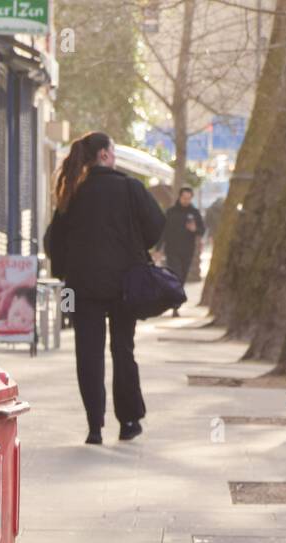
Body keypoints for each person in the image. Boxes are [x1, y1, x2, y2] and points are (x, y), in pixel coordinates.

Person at [44, 131, 165, 445]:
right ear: (104, 156)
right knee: (123, 349)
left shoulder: (73, 192)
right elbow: (156, 225)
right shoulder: (129, 188)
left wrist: (65, 271)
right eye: (113, 150)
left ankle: (94, 426)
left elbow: (53, 240)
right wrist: (138, 246)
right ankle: (128, 420)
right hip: (125, 285)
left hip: (83, 288)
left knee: (89, 353)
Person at [158, 187, 204, 315]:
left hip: (187, 251)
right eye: (184, 198)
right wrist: (158, 249)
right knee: (176, 275)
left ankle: (175, 302)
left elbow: (202, 230)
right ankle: (174, 304)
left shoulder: (194, 213)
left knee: (182, 277)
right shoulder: (171, 212)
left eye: (189, 198)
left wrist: (194, 229)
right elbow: (163, 231)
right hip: (172, 250)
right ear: (179, 197)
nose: (186, 201)